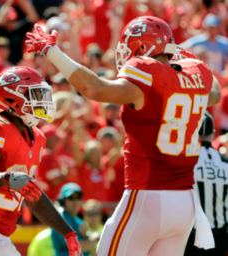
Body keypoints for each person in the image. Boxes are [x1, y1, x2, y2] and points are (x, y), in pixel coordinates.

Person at [26, 16, 221, 255]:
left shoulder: (146, 74)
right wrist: (183, 55)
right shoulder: (196, 74)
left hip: (147, 198)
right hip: (185, 205)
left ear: (143, 47)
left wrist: (52, 51)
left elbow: (93, 88)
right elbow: (214, 93)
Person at [0, 66, 82, 256]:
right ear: (13, 98)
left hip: (0, 235)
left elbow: (32, 196)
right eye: (35, 94)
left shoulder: (36, 138)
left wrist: (68, 232)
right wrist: (6, 178)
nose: (42, 101)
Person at [184, 112, 228, 256]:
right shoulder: (225, 163)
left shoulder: (186, 161)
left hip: (191, 236)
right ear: (212, 133)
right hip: (218, 238)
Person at [51, 183, 97, 256]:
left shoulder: (80, 222)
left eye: (78, 197)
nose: (75, 201)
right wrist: (94, 239)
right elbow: (77, 248)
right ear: (62, 201)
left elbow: (93, 251)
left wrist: (86, 237)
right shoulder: (59, 219)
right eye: (71, 198)